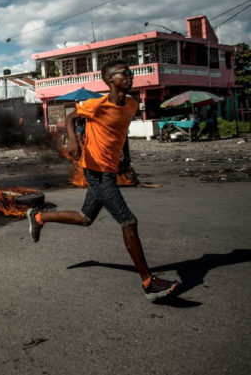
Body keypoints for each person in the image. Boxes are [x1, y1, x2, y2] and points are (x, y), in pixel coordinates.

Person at [26, 59, 180, 301]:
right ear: (110, 80)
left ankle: (38, 216)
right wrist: (74, 141)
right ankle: (149, 282)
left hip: (109, 169)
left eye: (130, 72)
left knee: (85, 218)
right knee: (128, 221)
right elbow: (70, 119)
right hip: (95, 170)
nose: (130, 76)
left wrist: (125, 160)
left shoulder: (131, 104)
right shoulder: (97, 104)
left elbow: (121, 134)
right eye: (124, 73)